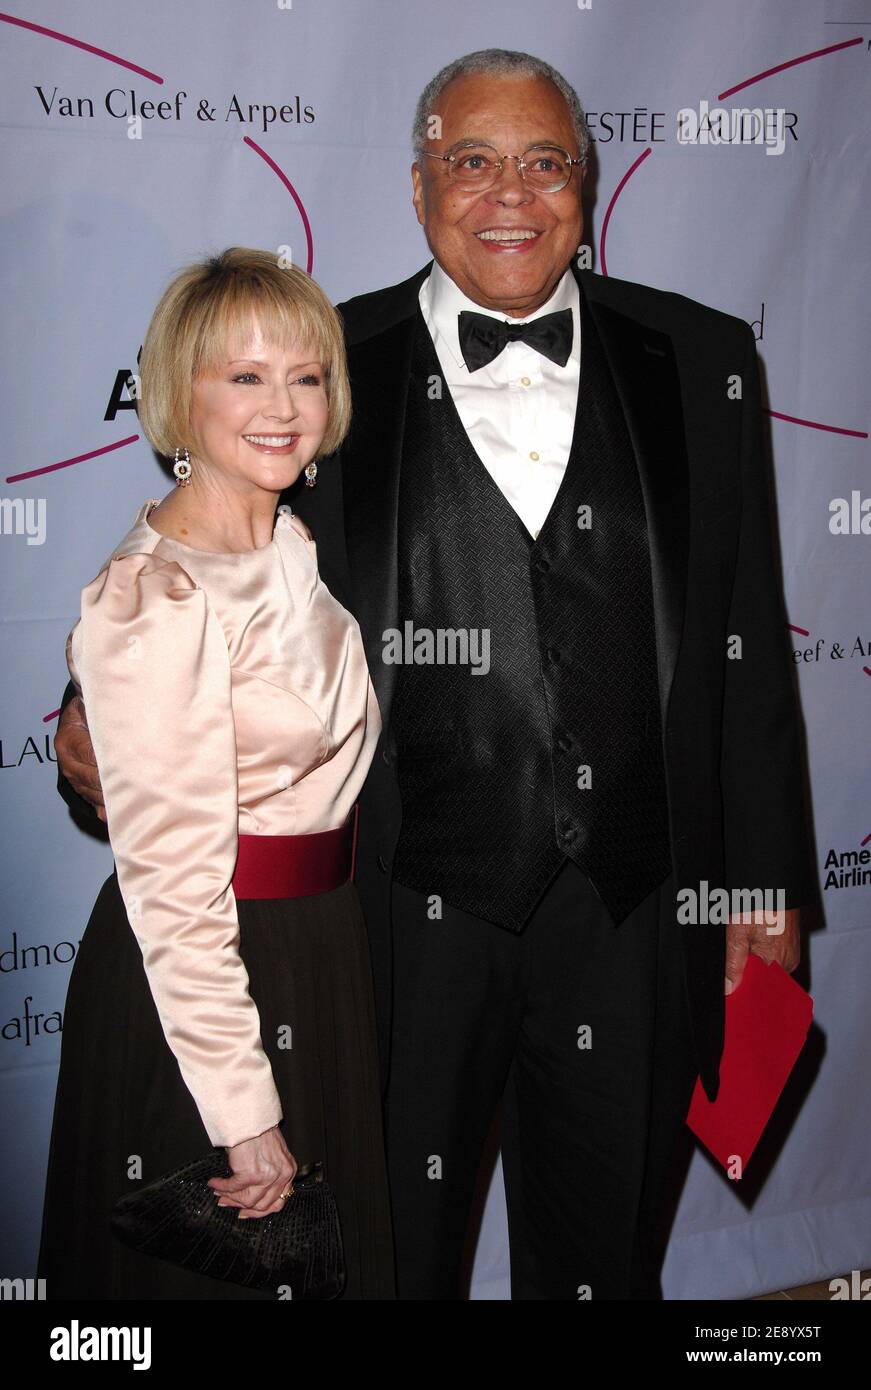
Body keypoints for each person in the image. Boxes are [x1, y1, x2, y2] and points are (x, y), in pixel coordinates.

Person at [56, 51, 817, 1300]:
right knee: (383, 1265)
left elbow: (748, 640)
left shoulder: (703, 357)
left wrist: (766, 884)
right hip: (396, 925)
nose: (507, 193)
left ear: (586, 185)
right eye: (471, 161)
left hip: (634, 909)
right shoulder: (323, 364)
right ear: (418, 188)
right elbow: (191, 548)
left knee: (602, 1262)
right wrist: (89, 705)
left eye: (542, 162)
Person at [40, 248, 395, 1300]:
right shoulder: (154, 597)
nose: (282, 405)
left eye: (305, 374)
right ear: (175, 392)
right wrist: (243, 1114)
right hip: (205, 980)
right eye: (243, 376)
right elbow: (173, 889)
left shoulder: (287, 541)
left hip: (319, 952)